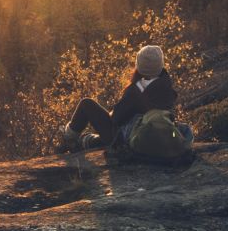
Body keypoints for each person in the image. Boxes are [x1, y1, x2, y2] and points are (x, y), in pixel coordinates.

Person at [58, 44, 193, 152]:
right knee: (91, 139)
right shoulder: (167, 88)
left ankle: (68, 138)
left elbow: (116, 119)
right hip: (148, 138)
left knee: (86, 104)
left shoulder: (136, 90)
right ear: (160, 65)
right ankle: (86, 141)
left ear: (138, 65)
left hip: (126, 141)